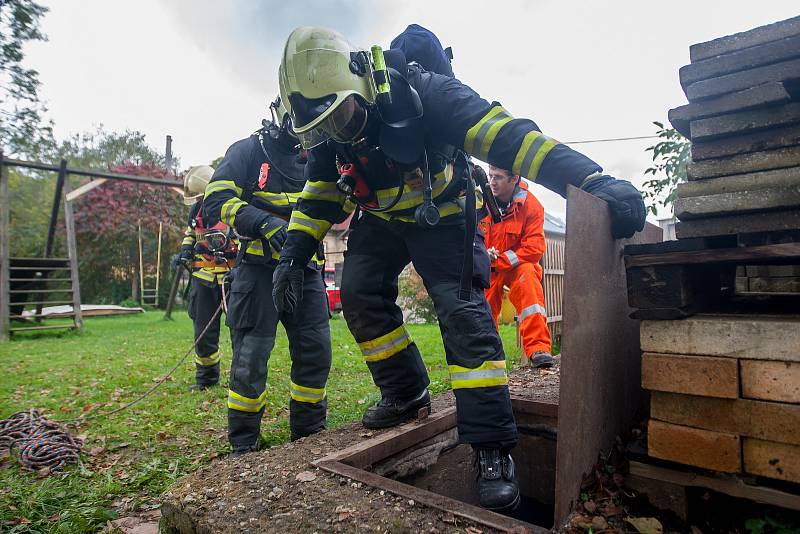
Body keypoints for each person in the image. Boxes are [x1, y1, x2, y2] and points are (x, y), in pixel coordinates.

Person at [272, 26, 645, 511]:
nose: (336, 134)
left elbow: (514, 142)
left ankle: (492, 449)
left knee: (463, 313)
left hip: (441, 215)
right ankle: (405, 392)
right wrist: (292, 255)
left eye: (341, 117)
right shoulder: (328, 128)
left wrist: (591, 177)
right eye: (321, 128)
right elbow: (320, 194)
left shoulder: (430, 94)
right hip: (382, 220)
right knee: (360, 294)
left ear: (359, 85)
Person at [202, 98, 332, 455]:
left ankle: (309, 432)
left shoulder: (317, 157)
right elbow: (215, 199)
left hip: (304, 272)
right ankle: (244, 443)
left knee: (316, 351)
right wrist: (263, 222)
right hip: (257, 273)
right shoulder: (247, 151)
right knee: (250, 357)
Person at [481, 165, 553, 368]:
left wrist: (500, 259)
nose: (492, 182)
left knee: (528, 277)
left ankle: (538, 348)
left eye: (499, 177)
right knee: (482, 308)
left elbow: (534, 248)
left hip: (516, 266)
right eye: (490, 176)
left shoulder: (531, 205)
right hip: (487, 267)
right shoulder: (480, 202)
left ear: (514, 179)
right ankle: (489, 355)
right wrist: (480, 252)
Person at [176, 165, 237, 391]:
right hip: (203, 278)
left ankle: (240, 378)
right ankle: (206, 380)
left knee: (239, 331)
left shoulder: (231, 207)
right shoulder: (197, 212)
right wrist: (185, 251)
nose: (200, 200)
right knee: (203, 332)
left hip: (231, 279)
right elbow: (191, 233)